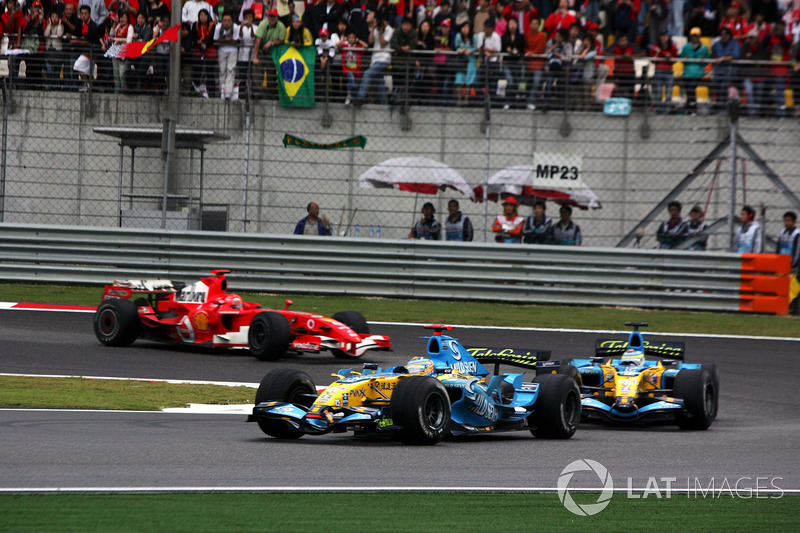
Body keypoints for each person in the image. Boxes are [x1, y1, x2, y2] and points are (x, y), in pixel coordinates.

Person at [353, 14, 393, 106]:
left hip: (384, 59)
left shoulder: (389, 30)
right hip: (375, 59)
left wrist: (380, 32)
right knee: (379, 84)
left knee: (367, 73)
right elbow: (370, 41)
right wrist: (372, 30)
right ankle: (385, 104)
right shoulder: (376, 29)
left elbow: (383, 43)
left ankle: (360, 97)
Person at [680, 27, 711, 114]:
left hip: (698, 72)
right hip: (687, 72)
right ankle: (690, 105)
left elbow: (707, 61)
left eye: (696, 36)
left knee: (691, 88)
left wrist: (703, 60)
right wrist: (684, 58)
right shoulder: (686, 47)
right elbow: (682, 59)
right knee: (688, 87)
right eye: (693, 36)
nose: (695, 38)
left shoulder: (704, 48)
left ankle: (691, 106)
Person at [72, 4, 101, 92]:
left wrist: (76, 41)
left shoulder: (92, 25)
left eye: (85, 13)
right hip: (85, 51)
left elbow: (90, 41)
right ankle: (91, 86)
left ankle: (87, 84)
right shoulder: (81, 23)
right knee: (88, 71)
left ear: (89, 14)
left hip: (91, 51)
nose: (84, 15)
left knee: (77, 66)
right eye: (82, 13)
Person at [711, 27, 740, 112]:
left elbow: (735, 55)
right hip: (718, 72)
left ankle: (724, 110)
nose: (724, 36)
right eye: (722, 35)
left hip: (729, 73)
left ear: (729, 35)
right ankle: (719, 109)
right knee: (718, 90)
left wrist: (723, 59)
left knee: (724, 89)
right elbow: (713, 54)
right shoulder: (717, 44)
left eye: (726, 35)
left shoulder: (734, 43)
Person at [214, 10, 239, 100]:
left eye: (228, 20)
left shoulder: (235, 27)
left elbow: (236, 40)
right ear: (222, 21)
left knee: (231, 70)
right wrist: (228, 40)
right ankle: (222, 91)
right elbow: (216, 39)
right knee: (222, 70)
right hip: (222, 50)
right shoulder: (218, 27)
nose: (226, 22)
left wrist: (224, 40)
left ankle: (228, 93)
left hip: (233, 50)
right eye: (225, 20)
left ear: (231, 21)